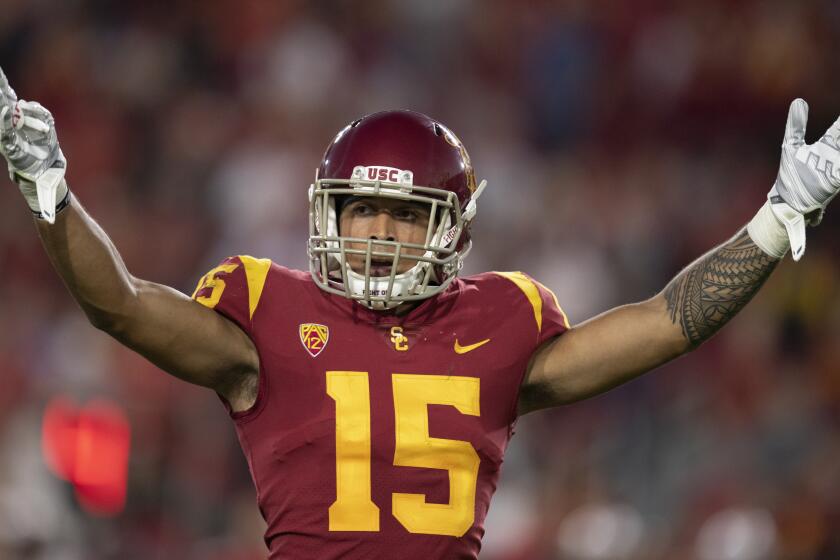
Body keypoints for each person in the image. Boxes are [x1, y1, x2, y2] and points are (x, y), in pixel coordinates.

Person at [1, 64, 838, 559]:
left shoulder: (503, 320)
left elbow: (662, 323)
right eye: (361, 209)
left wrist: (777, 219)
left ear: (451, 228)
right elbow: (121, 306)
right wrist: (52, 195)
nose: (377, 232)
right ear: (327, 213)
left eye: (404, 215)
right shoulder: (266, 308)